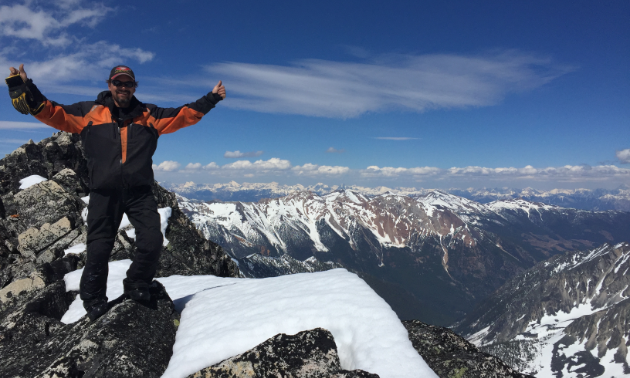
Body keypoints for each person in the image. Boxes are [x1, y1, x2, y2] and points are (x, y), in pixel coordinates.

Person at [5, 64, 226, 320]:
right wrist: (25, 86)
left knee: (153, 240)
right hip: (104, 193)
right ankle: (93, 299)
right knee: (99, 248)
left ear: (135, 87)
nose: (123, 87)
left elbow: (184, 115)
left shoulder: (149, 115)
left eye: (128, 83)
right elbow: (51, 112)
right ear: (109, 85)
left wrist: (211, 98)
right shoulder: (89, 112)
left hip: (139, 192)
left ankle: (136, 282)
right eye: (118, 83)